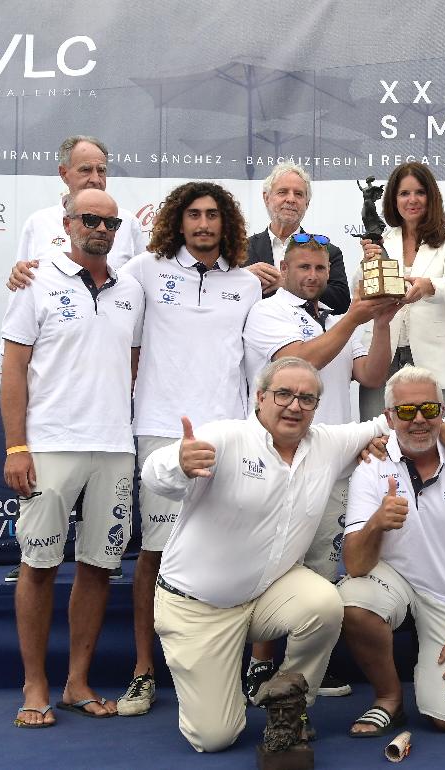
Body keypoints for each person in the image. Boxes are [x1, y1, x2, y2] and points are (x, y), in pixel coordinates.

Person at [142, 357, 445, 752]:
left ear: (316, 407)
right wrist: (178, 463)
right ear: (259, 398)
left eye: (307, 398)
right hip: (199, 606)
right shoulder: (225, 437)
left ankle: (291, 705)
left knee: (326, 602)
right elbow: (154, 472)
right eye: (283, 394)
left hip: (264, 594)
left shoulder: (325, 444)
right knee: (215, 737)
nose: (295, 406)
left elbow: (395, 420)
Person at [0, 189, 144, 727]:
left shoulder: (131, 288)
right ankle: (34, 683)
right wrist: (17, 445)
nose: (101, 228)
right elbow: (13, 369)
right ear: (68, 223)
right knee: (38, 565)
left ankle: (76, 682)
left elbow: (130, 364)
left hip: (114, 446)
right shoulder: (35, 279)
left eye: (110, 221)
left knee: (98, 567)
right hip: (51, 444)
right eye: (90, 219)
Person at [119, 182, 261, 715]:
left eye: (213, 216)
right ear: (178, 222)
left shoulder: (248, 285)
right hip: (161, 430)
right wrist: (29, 269)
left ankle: (235, 668)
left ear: (227, 225)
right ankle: (142, 669)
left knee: (230, 547)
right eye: (195, 215)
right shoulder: (143, 271)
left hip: (227, 433)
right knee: (155, 552)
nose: (204, 225)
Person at [239, 234, 401, 700]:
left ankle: (309, 665)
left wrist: (384, 322)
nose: (312, 276)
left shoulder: (330, 317)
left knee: (323, 565)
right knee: (277, 564)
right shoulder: (267, 311)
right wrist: (355, 317)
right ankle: (262, 663)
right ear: (284, 270)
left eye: (320, 269)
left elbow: (370, 375)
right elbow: (297, 363)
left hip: (333, 458)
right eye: (303, 267)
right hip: (282, 458)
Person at [339, 366, 445, 735]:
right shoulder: (371, 466)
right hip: (397, 581)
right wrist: (376, 523)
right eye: (406, 411)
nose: (418, 419)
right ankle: (388, 699)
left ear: (442, 412)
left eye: (429, 410)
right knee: (353, 601)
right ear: (389, 417)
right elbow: (355, 564)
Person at [355, 162, 445, 419]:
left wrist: (429, 286)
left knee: (426, 437)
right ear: (393, 199)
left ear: (431, 196)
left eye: (419, 192)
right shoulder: (382, 238)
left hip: (433, 358)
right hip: (381, 354)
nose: (412, 200)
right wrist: (367, 262)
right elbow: (359, 289)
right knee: (377, 440)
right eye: (404, 193)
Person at [15, 135, 147, 270]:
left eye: (101, 170)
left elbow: (144, 279)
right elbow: (23, 278)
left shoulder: (128, 222)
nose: (95, 179)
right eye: (86, 170)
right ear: (64, 173)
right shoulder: (38, 223)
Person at [244, 162, 351, 312]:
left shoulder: (328, 251)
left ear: (307, 203)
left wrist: (288, 284)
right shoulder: (241, 250)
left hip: (310, 335)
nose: (291, 199)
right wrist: (242, 277)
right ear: (267, 198)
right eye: (282, 192)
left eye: (298, 194)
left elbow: (341, 302)